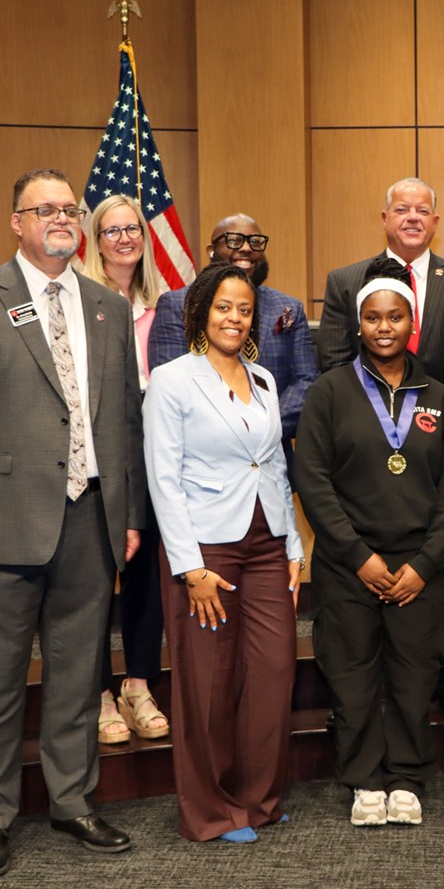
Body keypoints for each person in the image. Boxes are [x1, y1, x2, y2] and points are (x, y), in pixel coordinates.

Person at [0, 168, 145, 877]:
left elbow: (125, 423)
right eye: (43, 209)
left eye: (68, 208)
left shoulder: (107, 306)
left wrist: (127, 514)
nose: (59, 219)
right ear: (16, 222)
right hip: (0, 522)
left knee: (78, 679)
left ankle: (72, 802)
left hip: (90, 519)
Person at [318, 177, 444, 722]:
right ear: (385, 217)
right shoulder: (345, 280)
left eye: (423, 209)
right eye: (402, 208)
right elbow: (333, 360)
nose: (412, 217)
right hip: (363, 449)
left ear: (436, 221)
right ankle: (357, 702)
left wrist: (431, 409)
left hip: (440, 440)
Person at [294, 261, 444, 828]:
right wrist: (358, 556)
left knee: (414, 676)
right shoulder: (329, 392)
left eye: (395, 317)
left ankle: (407, 778)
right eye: (373, 318)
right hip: (349, 564)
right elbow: (313, 481)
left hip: (419, 568)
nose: (384, 327)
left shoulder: (439, 397)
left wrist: (425, 563)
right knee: (353, 676)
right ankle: (364, 779)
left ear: (412, 323)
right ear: (358, 325)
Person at [144, 264, 305, 844]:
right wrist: (189, 567)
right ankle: (212, 811)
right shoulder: (171, 380)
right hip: (206, 547)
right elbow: (163, 477)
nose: (234, 318)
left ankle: (259, 801)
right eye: (223, 307)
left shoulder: (263, 378)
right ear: (200, 313)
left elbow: (275, 463)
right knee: (207, 682)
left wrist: (293, 544)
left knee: (272, 673)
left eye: (244, 309)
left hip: (267, 543)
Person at [80, 194, 170, 747]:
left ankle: (139, 684)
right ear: (95, 240)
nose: (124, 238)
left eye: (132, 228)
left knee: (146, 577)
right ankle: (98, 693)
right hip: (97, 454)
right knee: (92, 578)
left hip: (154, 452)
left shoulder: (166, 307)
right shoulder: (79, 299)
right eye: (111, 230)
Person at [147, 213, 318, 458]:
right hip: (204, 459)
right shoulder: (177, 305)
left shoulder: (288, 308)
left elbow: (306, 381)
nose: (246, 248)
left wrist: (262, 427)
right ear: (211, 251)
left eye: (255, 241)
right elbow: (172, 388)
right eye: (234, 240)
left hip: (271, 456)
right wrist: (232, 430)